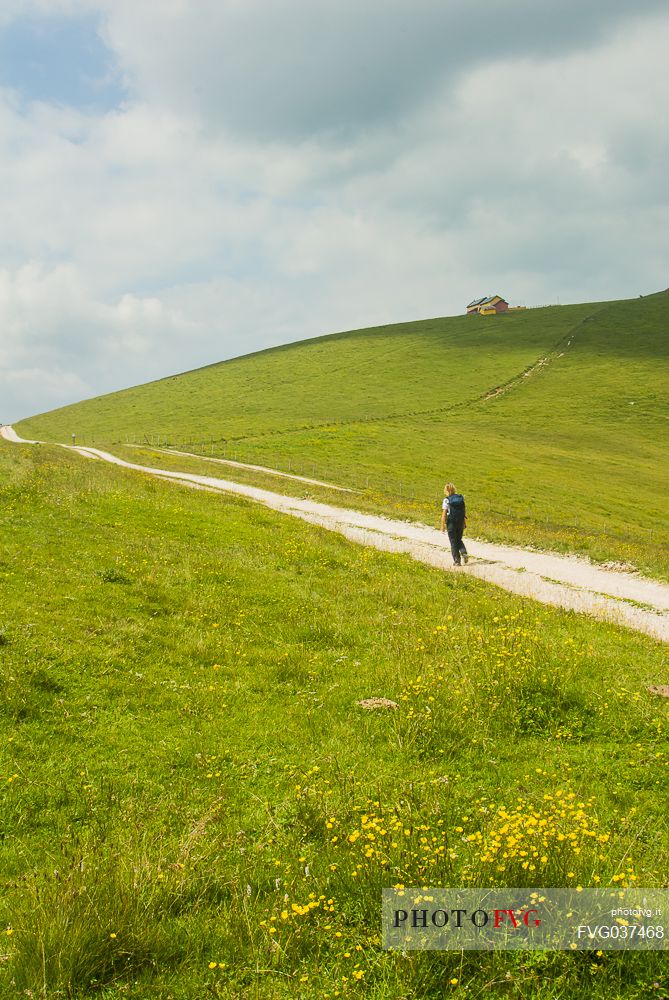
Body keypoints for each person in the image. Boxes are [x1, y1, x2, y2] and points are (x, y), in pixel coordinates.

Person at [440, 483, 468, 566]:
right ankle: (464, 552)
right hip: (460, 522)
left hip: (451, 523)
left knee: (453, 542)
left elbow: (444, 514)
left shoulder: (447, 500)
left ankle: (457, 561)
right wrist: (464, 523)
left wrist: (442, 526)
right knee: (459, 539)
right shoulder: (460, 499)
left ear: (446, 490)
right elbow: (463, 512)